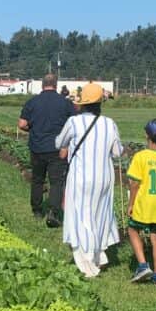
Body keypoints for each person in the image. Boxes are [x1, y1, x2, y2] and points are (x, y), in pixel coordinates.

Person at [54, 82, 124, 277]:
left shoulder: (74, 122)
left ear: (82, 103)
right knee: (100, 214)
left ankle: (87, 261)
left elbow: (60, 142)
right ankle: (99, 254)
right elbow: (118, 152)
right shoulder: (109, 124)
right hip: (104, 178)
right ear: (100, 103)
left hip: (81, 177)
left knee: (81, 215)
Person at [126, 119, 156, 288]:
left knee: (133, 229)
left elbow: (134, 183)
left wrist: (131, 204)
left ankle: (142, 266)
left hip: (144, 202)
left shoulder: (141, 156)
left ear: (146, 135)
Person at [19, 74, 75, 226]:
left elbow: (22, 124)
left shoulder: (32, 102)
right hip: (58, 148)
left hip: (37, 147)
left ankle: (37, 209)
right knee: (56, 181)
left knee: (37, 179)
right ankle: (53, 211)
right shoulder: (65, 103)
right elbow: (74, 124)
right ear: (56, 85)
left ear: (42, 85)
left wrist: (33, 128)